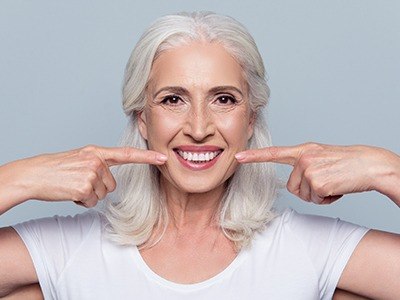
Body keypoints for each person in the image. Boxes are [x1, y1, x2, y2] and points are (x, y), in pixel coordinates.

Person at [0, 11, 399, 300]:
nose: (198, 126)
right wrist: (17, 180)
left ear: (250, 120)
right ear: (143, 119)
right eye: (173, 99)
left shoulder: (310, 250)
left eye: (224, 99)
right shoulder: (68, 251)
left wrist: (386, 170)